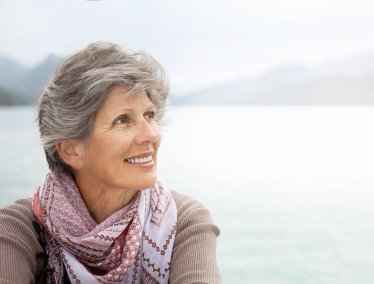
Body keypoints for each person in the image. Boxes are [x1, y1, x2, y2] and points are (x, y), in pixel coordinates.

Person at [0, 42, 221, 283]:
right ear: (71, 150)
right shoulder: (17, 229)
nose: (150, 135)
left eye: (149, 115)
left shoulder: (183, 221)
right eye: (123, 120)